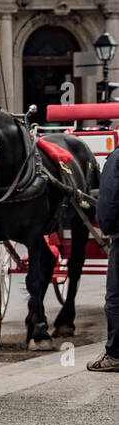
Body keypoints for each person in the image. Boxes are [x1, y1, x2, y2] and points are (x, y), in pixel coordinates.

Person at [88, 146, 119, 372]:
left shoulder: (117, 158)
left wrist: (106, 227)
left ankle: (115, 354)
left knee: (116, 297)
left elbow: (108, 200)